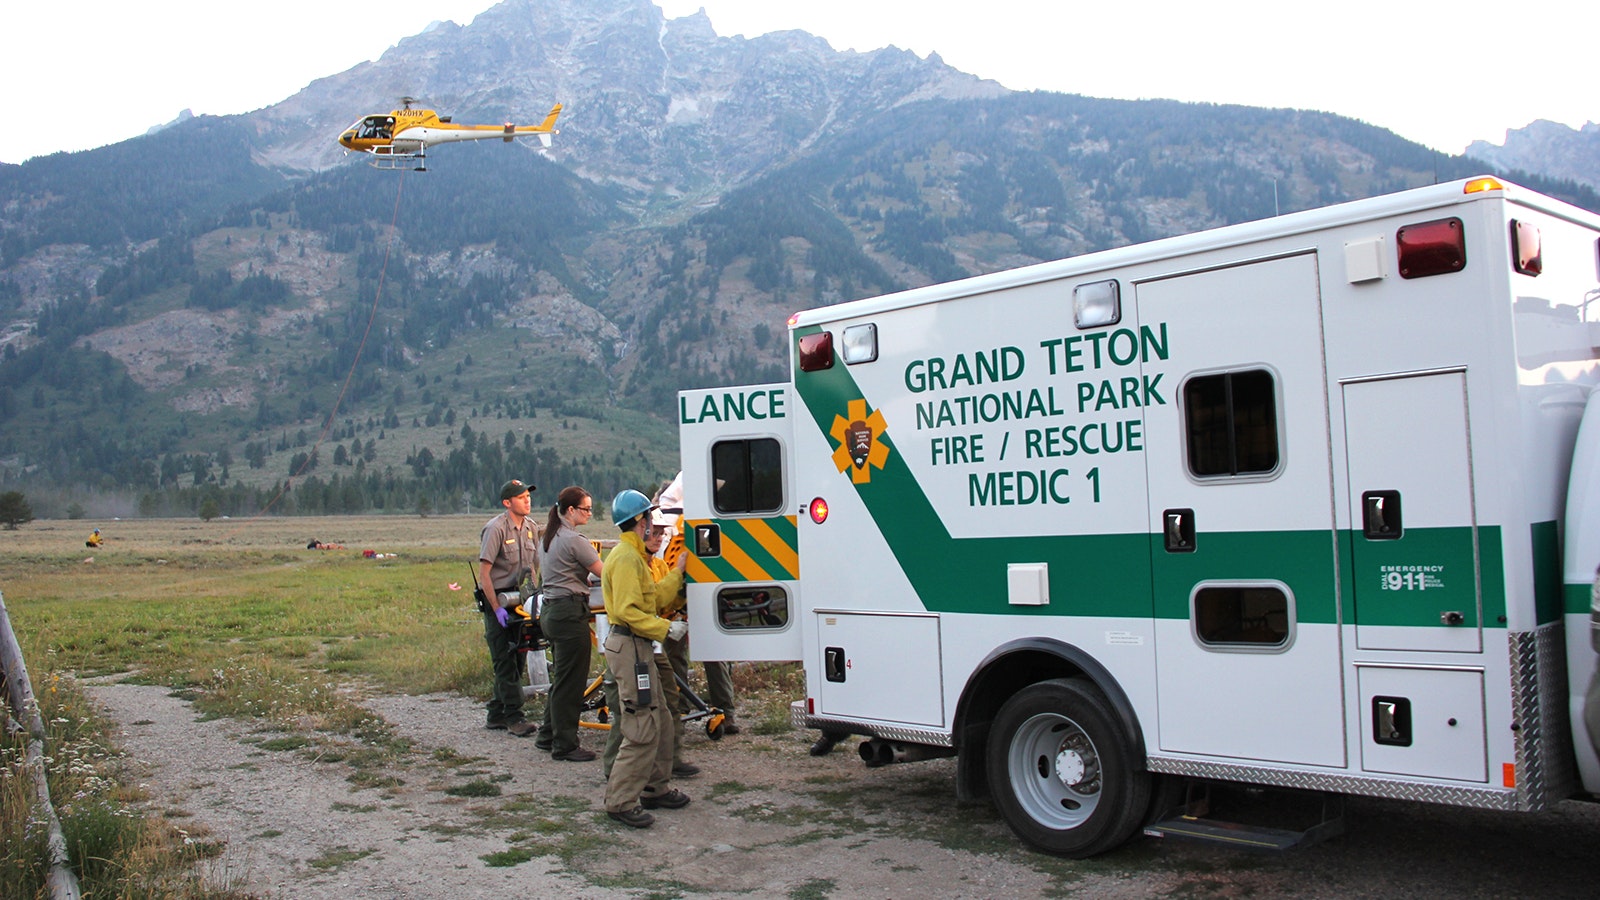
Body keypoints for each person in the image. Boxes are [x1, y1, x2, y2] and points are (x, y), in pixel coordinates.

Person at [601, 489, 690, 828]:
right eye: (650, 518)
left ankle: (655, 787)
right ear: (640, 522)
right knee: (641, 725)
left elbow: (652, 597)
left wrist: (677, 573)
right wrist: (665, 629)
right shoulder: (625, 558)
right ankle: (620, 801)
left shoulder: (636, 557)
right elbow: (628, 610)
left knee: (662, 719)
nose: (654, 524)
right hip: (631, 647)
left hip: (640, 646)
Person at [655, 473, 742, 734]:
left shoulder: (665, 518)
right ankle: (724, 712)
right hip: (699, 591)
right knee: (713, 652)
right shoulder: (702, 515)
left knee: (675, 653)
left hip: (673, 594)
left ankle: (679, 707)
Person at [534, 486, 602, 762]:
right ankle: (565, 744)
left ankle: (547, 734)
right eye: (586, 509)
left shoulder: (549, 537)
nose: (589, 513)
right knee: (572, 682)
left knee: (561, 678)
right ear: (571, 510)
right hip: (569, 613)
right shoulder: (575, 540)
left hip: (550, 611)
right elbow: (606, 572)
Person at [477, 479, 541, 737]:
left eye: (528, 495)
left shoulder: (531, 527)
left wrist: (535, 597)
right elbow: (485, 573)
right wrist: (495, 608)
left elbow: (533, 566)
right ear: (507, 503)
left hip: (523, 598)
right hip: (500, 599)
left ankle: (496, 713)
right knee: (504, 658)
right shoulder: (495, 529)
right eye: (521, 497)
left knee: (518, 656)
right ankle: (515, 718)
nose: (527, 500)